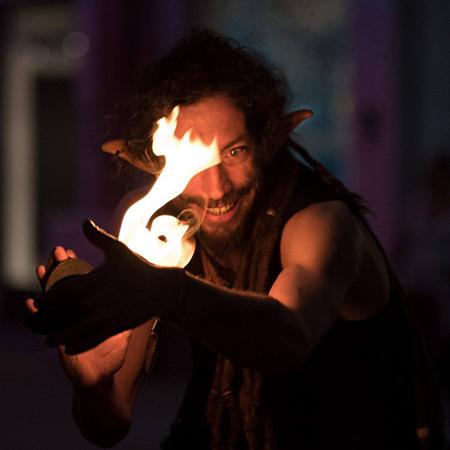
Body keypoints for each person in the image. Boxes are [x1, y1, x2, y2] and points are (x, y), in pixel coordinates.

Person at [26, 31, 444, 449]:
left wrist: (170, 294)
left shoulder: (320, 222)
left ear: (266, 144)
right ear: (159, 160)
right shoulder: (155, 229)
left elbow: (288, 341)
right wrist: (93, 385)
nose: (217, 188)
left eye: (235, 152)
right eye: (193, 162)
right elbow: (109, 427)